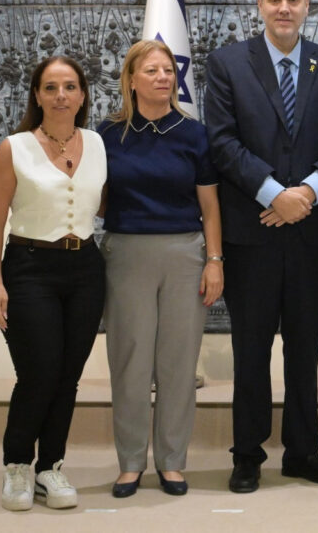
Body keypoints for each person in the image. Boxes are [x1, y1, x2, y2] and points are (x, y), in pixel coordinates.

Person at [205, 0, 318, 492]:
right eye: (275, 0)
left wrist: (308, 193)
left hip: (313, 234)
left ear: (307, 5)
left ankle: (302, 452)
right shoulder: (227, 63)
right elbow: (222, 142)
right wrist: (274, 194)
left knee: (304, 349)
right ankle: (247, 454)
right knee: (250, 350)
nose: (284, 8)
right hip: (252, 233)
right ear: (260, 6)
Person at [97, 40, 223, 498]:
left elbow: (210, 207)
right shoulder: (107, 135)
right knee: (129, 362)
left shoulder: (194, 134)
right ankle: (131, 463)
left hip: (185, 255)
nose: (163, 77)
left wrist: (214, 261)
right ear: (131, 79)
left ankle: (171, 461)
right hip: (126, 254)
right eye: (151, 70)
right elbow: (98, 199)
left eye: (169, 70)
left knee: (177, 363)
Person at [0, 56, 107, 511]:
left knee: (68, 376)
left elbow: (107, 204)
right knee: (39, 372)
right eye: (50, 87)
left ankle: (50, 466)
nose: (60, 96)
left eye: (69, 86)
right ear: (36, 94)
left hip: (86, 269)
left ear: (83, 94)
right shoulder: (13, 148)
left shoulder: (97, 143)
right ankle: (17, 464)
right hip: (29, 267)